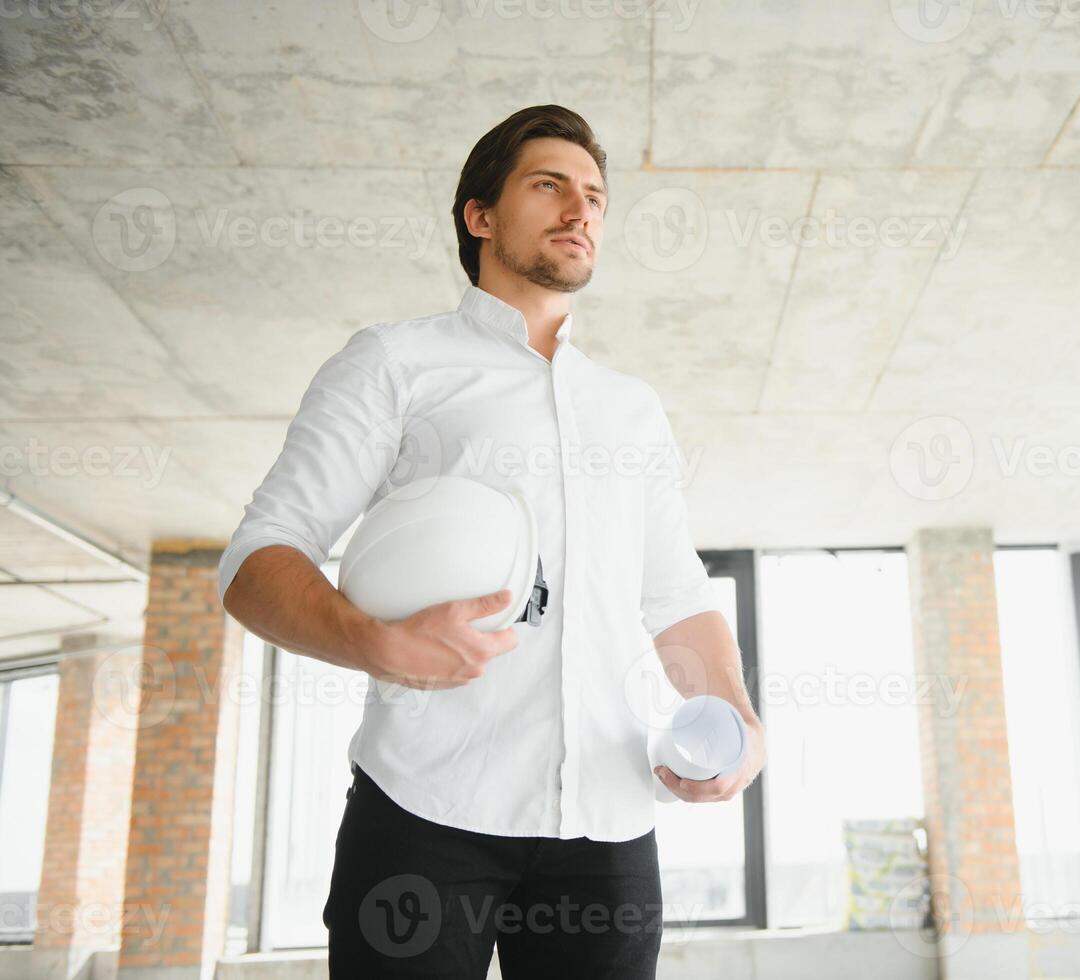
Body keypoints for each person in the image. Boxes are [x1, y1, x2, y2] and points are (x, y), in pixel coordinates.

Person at [218, 104, 766, 978]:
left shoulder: (630, 407)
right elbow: (257, 558)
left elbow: (672, 593)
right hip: (424, 816)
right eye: (547, 185)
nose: (579, 210)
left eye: (593, 195)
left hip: (609, 827)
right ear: (478, 214)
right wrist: (372, 642)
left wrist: (737, 716)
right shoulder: (394, 364)